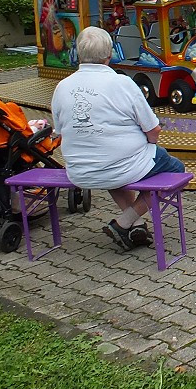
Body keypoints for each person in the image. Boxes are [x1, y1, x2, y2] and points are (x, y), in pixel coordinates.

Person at [51, 27, 186, 250]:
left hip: (80, 170)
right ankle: (124, 223)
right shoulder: (122, 84)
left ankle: (137, 225)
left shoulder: (62, 87)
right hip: (117, 165)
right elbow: (153, 130)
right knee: (175, 169)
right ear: (109, 54)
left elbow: (60, 130)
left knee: (115, 164)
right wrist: (149, 146)